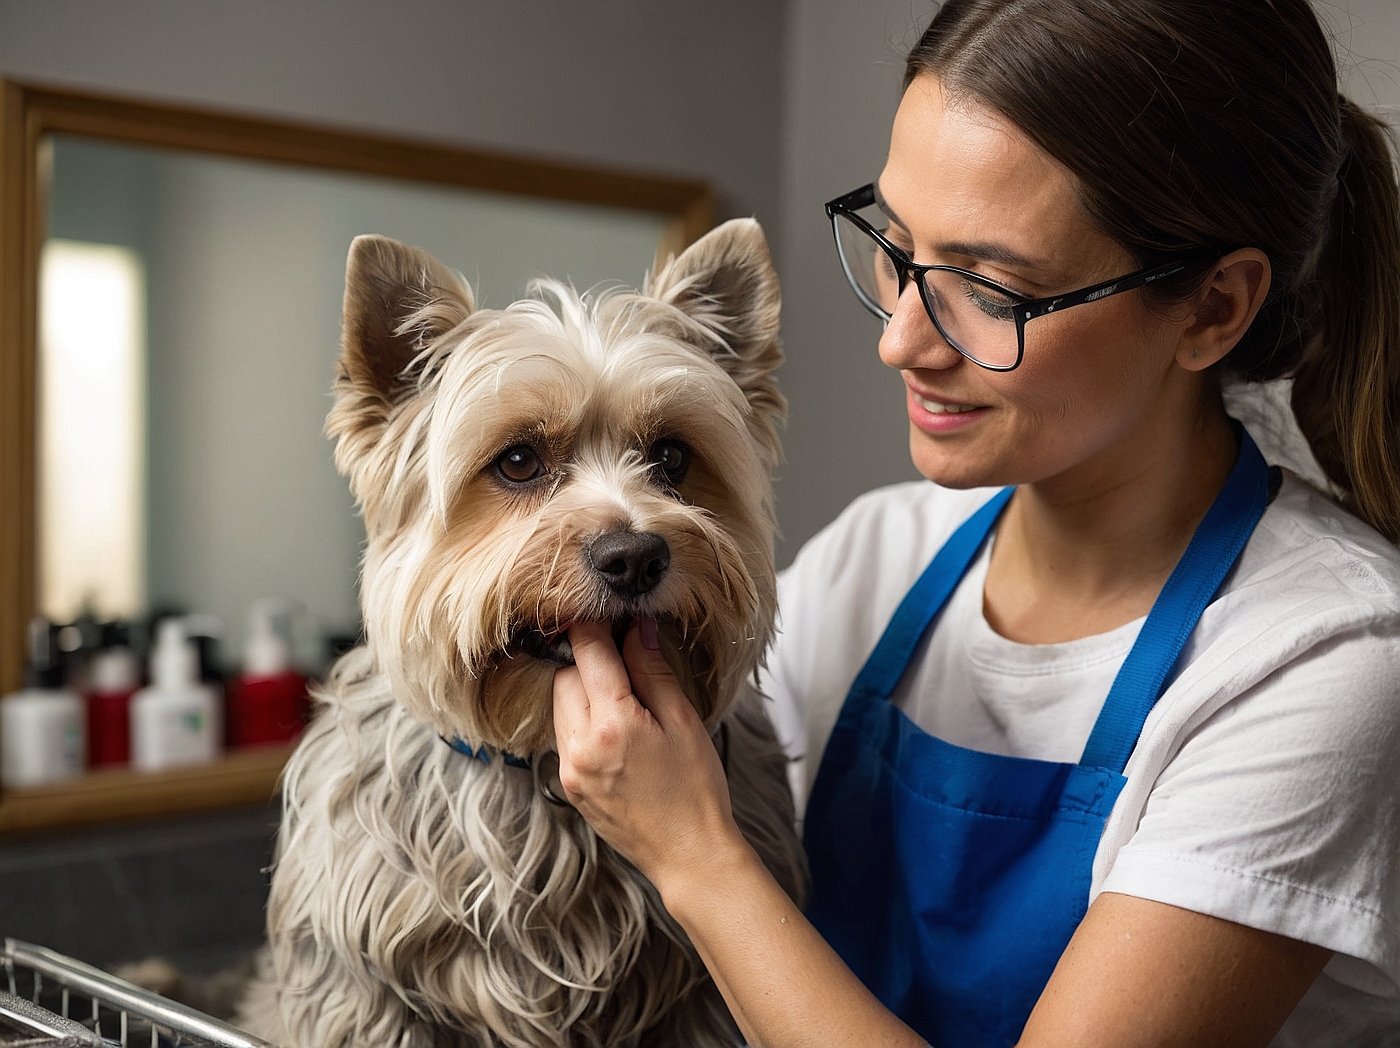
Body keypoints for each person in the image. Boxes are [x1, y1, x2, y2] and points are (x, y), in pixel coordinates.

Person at [551, 1, 1400, 1044]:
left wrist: (694, 856)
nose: (901, 342)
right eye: (896, 247)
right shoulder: (872, 560)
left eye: (989, 289)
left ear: (1213, 307)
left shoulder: (1321, 659)